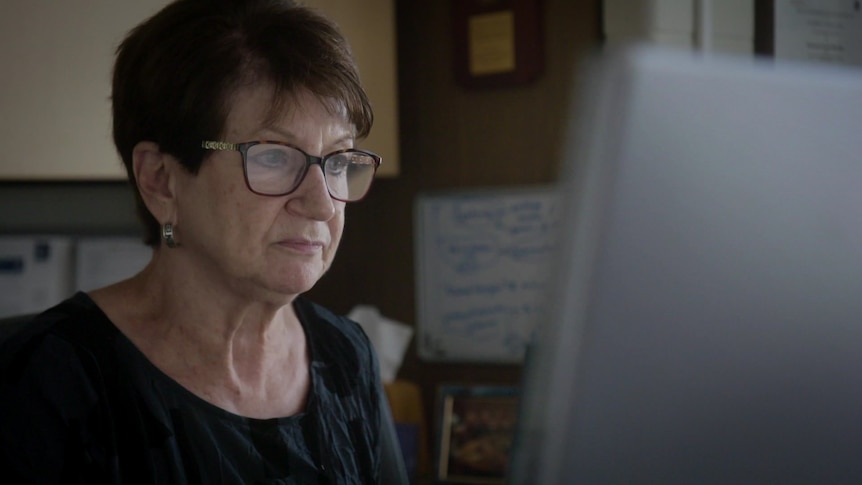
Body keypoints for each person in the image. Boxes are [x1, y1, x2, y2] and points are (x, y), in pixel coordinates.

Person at [0, 0, 407, 483]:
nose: (322, 203)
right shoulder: (43, 383)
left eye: (338, 159)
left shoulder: (347, 353)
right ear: (162, 181)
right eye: (274, 157)